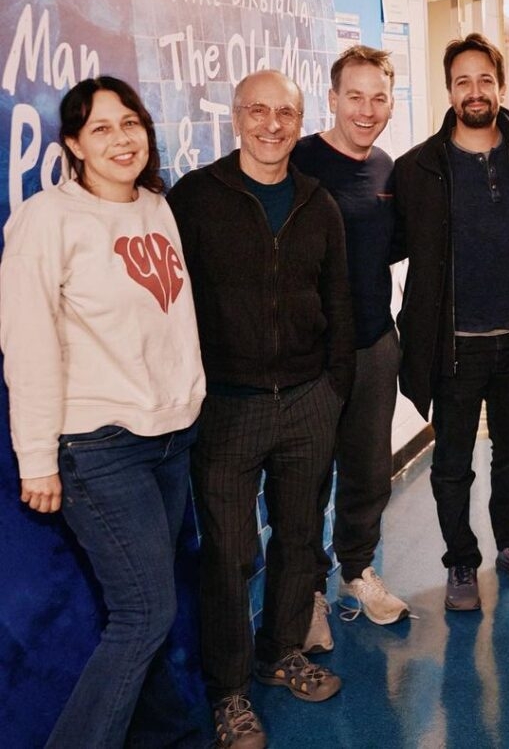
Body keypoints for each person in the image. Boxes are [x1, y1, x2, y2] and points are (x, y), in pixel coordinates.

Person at [0, 76, 206, 748]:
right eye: (101, 129)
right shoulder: (47, 219)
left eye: (130, 123)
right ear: (73, 145)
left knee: (151, 608)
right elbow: (27, 343)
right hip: (98, 445)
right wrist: (36, 458)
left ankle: (168, 735)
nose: (121, 139)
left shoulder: (155, 206)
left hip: (170, 439)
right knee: (145, 613)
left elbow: (171, 325)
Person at [167, 69, 355, 747]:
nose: (271, 125)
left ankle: (281, 655)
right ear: (236, 118)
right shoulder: (196, 198)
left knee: (300, 540)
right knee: (229, 554)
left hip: (307, 401)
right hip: (226, 409)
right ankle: (230, 692)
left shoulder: (317, 202)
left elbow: (340, 303)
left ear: (301, 121)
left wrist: (334, 388)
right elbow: (171, 304)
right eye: (258, 111)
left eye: (285, 113)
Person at [393, 33, 509, 612]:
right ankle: (460, 558)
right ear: (450, 90)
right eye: (463, 81)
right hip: (453, 348)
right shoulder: (419, 169)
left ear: (500, 87)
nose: (475, 91)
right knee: (452, 463)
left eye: (485, 79)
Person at [292, 46, 409, 643]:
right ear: (332, 98)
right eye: (355, 96)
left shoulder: (387, 168)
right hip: (311, 358)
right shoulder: (298, 163)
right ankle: (309, 594)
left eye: (379, 97)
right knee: (309, 478)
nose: (367, 110)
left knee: (368, 472)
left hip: (373, 343)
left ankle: (357, 570)